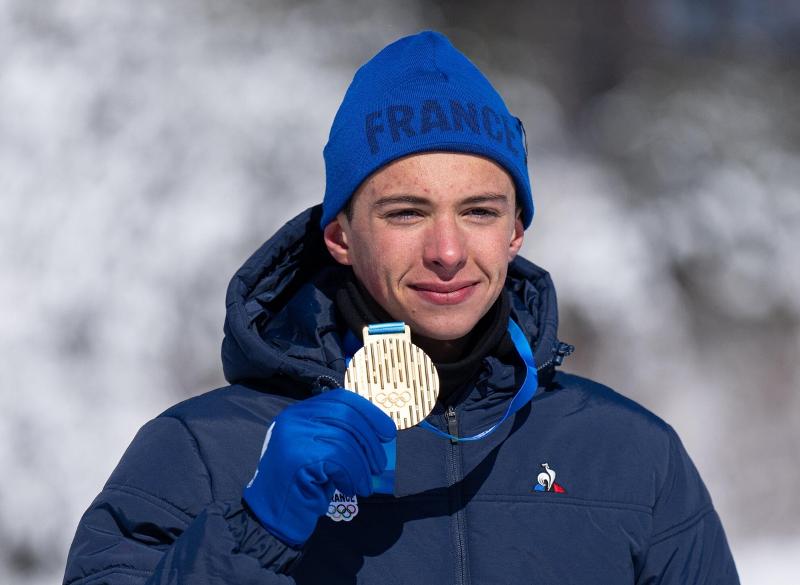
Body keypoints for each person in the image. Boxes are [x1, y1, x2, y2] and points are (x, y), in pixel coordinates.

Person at [63, 31, 739, 584]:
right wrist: (255, 531)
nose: (447, 250)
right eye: (406, 212)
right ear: (340, 236)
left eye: (478, 211)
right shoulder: (203, 451)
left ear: (515, 232)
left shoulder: (630, 455)